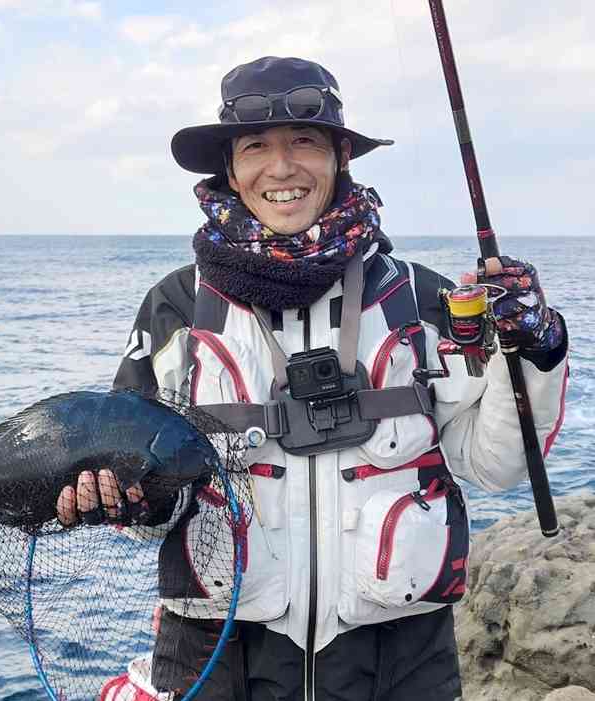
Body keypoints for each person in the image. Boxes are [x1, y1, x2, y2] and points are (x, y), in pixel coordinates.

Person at [57, 56, 568, 701]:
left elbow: (494, 464)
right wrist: (123, 499)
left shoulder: (418, 298)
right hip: (216, 658)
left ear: (340, 157)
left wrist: (535, 349)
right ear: (231, 169)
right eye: (256, 147)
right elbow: (146, 512)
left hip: (401, 660)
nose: (281, 167)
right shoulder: (177, 307)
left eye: (304, 140)